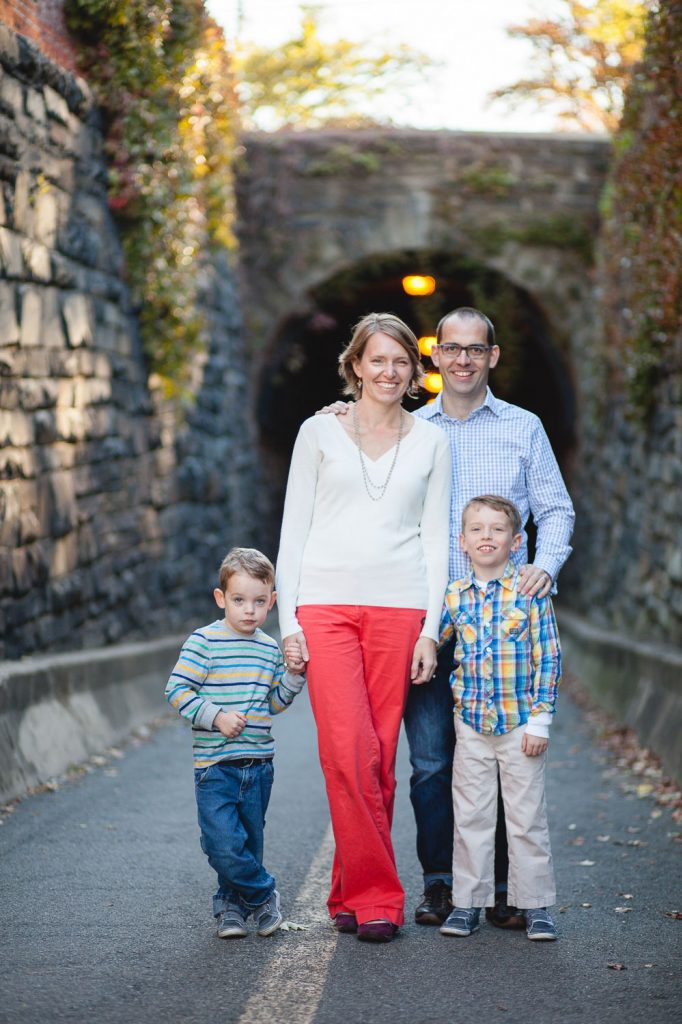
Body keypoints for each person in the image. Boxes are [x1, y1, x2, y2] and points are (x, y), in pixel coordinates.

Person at [320, 306, 574, 928]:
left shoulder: (523, 427)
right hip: (427, 617)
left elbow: (556, 508)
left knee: (505, 757)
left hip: (505, 623)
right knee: (433, 762)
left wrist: (546, 565)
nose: (462, 359)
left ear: (493, 357)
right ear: (434, 357)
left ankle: (507, 888)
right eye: (451, 348)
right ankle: (442, 882)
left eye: (475, 349)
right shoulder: (405, 428)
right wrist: (341, 415)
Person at [276, 312, 451, 943]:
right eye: (377, 360)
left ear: (414, 370)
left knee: (377, 761)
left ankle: (349, 892)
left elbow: (436, 539)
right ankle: (381, 897)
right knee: (345, 751)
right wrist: (288, 621)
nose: (389, 371)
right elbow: (293, 529)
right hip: (324, 606)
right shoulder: (318, 432)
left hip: (399, 607)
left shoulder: (432, 441)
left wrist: (431, 628)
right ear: (355, 366)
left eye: (401, 361)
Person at [164, 547, 306, 939]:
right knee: (221, 842)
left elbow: (274, 702)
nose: (249, 610)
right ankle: (263, 895)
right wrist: (216, 716)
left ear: (272, 602)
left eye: (260, 602)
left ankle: (231, 908)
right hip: (215, 766)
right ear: (221, 598)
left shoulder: (267, 647)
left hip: (258, 765)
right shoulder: (204, 642)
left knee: (247, 841)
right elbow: (176, 690)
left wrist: (294, 676)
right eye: (239, 600)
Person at [438, 495, 560, 941]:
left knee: (526, 818)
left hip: (519, 725)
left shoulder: (530, 593)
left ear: (515, 541)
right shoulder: (454, 595)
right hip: (470, 723)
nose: (486, 536)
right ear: (462, 542)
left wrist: (540, 720)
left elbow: (548, 657)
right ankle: (468, 902)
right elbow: (431, 642)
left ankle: (536, 906)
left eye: (497, 529)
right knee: (471, 815)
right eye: (477, 529)